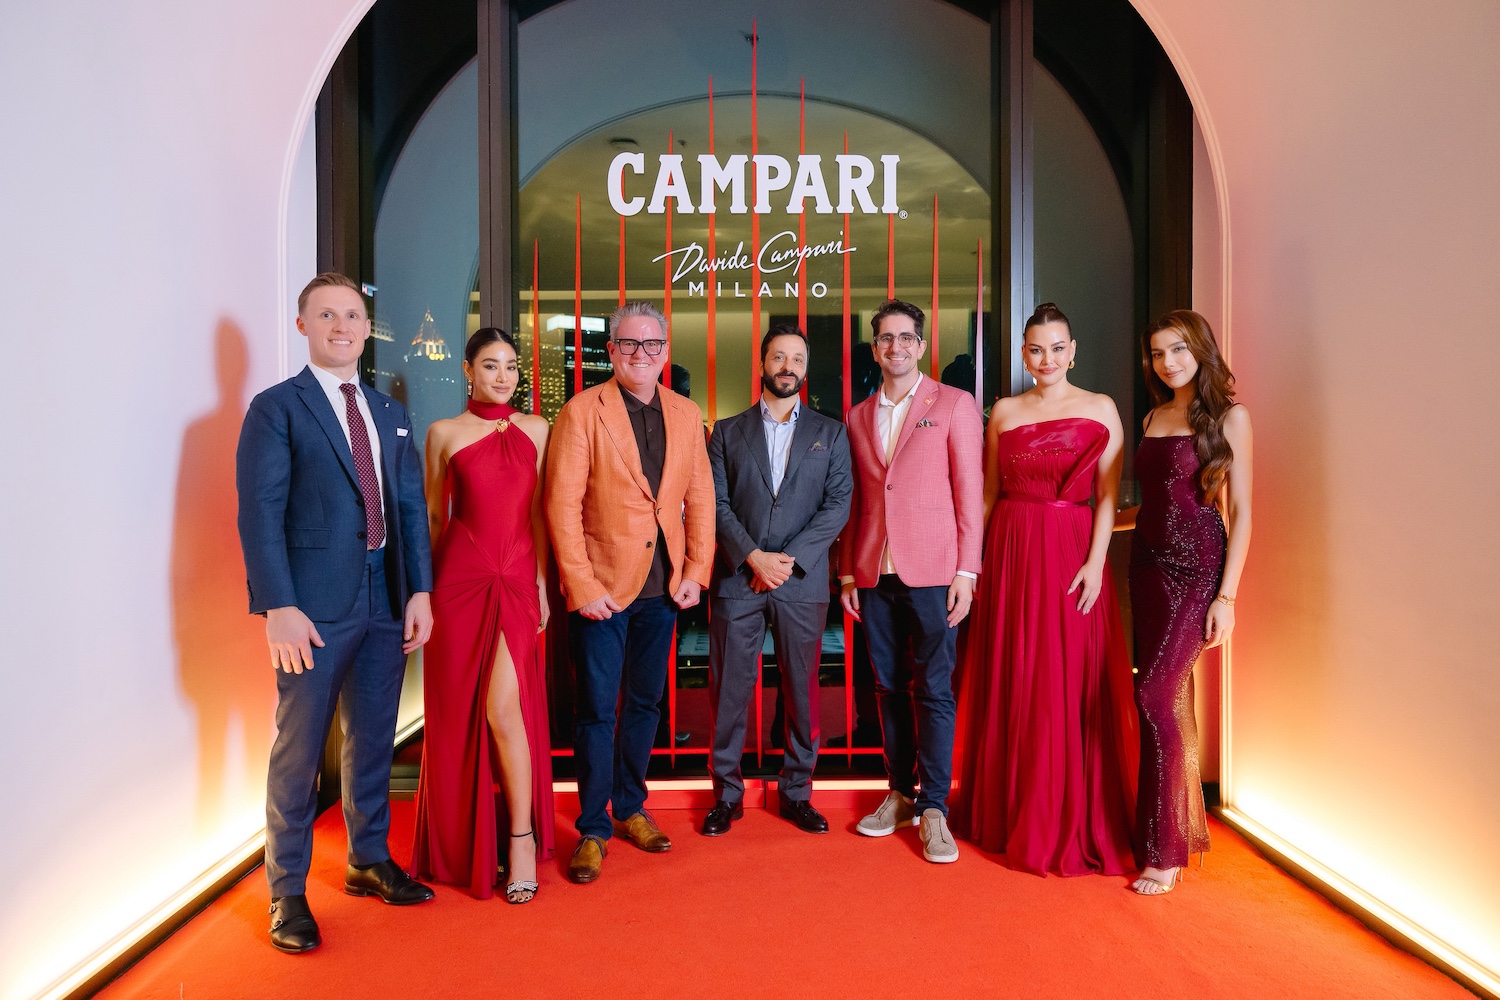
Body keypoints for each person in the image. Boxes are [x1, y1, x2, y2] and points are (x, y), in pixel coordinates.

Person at [236, 272, 435, 954]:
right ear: (303, 326)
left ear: (366, 328)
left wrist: (419, 590)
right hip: (313, 606)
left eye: (352, 315)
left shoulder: (388, 411)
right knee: (299, 750)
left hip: (386, 595)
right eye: (327, 315)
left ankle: (367, 859)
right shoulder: (276, 408)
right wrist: (278, 606)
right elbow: (260, 512)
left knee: (374, 737)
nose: (342, 326)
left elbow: (409, 507)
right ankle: (286, 892)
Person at [950, 302, 1137, 877]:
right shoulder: (1004, 411)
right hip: (1011, 549)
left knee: (1067, 676)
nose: (1047, 358)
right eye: (1036, 349)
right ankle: (1013, 811)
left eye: (1057, 348)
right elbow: (986, 493)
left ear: (1073, 351)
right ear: (1024, 355)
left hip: (1073, 551)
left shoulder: (1101, 407)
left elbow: (1108, 496)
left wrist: (1096, 562)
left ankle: (1067, 815)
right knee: (1017, 672)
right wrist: (971, 565)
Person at [545, 300, 715, 883]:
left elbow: (700, 499)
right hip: (603, 590)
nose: (641, 354)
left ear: (665, 352)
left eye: (651, 345)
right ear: (611, 350)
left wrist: (695, 571)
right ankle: (592, 827)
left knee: (645, 704)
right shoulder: (581, 411)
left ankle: (631, 808)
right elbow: (562, 506)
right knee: (596, 711)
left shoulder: (686, 413)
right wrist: (581, 584)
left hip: (663, 586)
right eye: (629, 344)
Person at [411, 328, 553, 904]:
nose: (503, 376)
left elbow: (539, 513)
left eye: (511, 366)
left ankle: (520, 839)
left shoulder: (538, 429)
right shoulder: (443, 433)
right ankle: (464, 842)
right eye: (491, 365)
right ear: (468, 371)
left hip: (515, 580)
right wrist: (421, 593)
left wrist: (541, 582)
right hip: (456, 585)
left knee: (502, 709)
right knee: (458, 716)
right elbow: (434, 518)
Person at [840, 299, 983, 864]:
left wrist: (967, 571)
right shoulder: (857, 415)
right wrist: (848, 571)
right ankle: (899, 793)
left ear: (921, 346)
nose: (895, 347)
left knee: (935, 688)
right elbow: (855, 501)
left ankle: (935, 808)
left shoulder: (953, 403)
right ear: (875, 349)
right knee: (887, 687)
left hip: (935, 571)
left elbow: (969, 492)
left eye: (905, 338)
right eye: (885, 338)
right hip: (875, 572)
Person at [1116, 309, 1252, 895]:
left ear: (1201, 350)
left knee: (1154, 694)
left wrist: (1228, 595)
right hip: (1146, 567)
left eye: (1178, 350)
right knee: (1163, 699)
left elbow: (1240, 511)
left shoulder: (1230, 417)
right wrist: (1083, 529)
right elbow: (1151, 503)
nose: (1167, 362)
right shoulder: (1153, 416)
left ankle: (1166, 849)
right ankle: (1155, 832)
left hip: (1198, 569)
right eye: (1157, 353)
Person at [703, 323, 852, 836]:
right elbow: (716, 503)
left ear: (805, 370)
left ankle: (797, 792)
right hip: (738, 580)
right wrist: (752, 557)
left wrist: (786, 560)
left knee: (802, 690)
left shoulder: (832, 433)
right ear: (763, 364)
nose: (788, 367)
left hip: (800, 580)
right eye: (778, 357)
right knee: (728, 689)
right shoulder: (726, 432)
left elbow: (838, 505)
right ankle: (726, 795)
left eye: (797, 359)